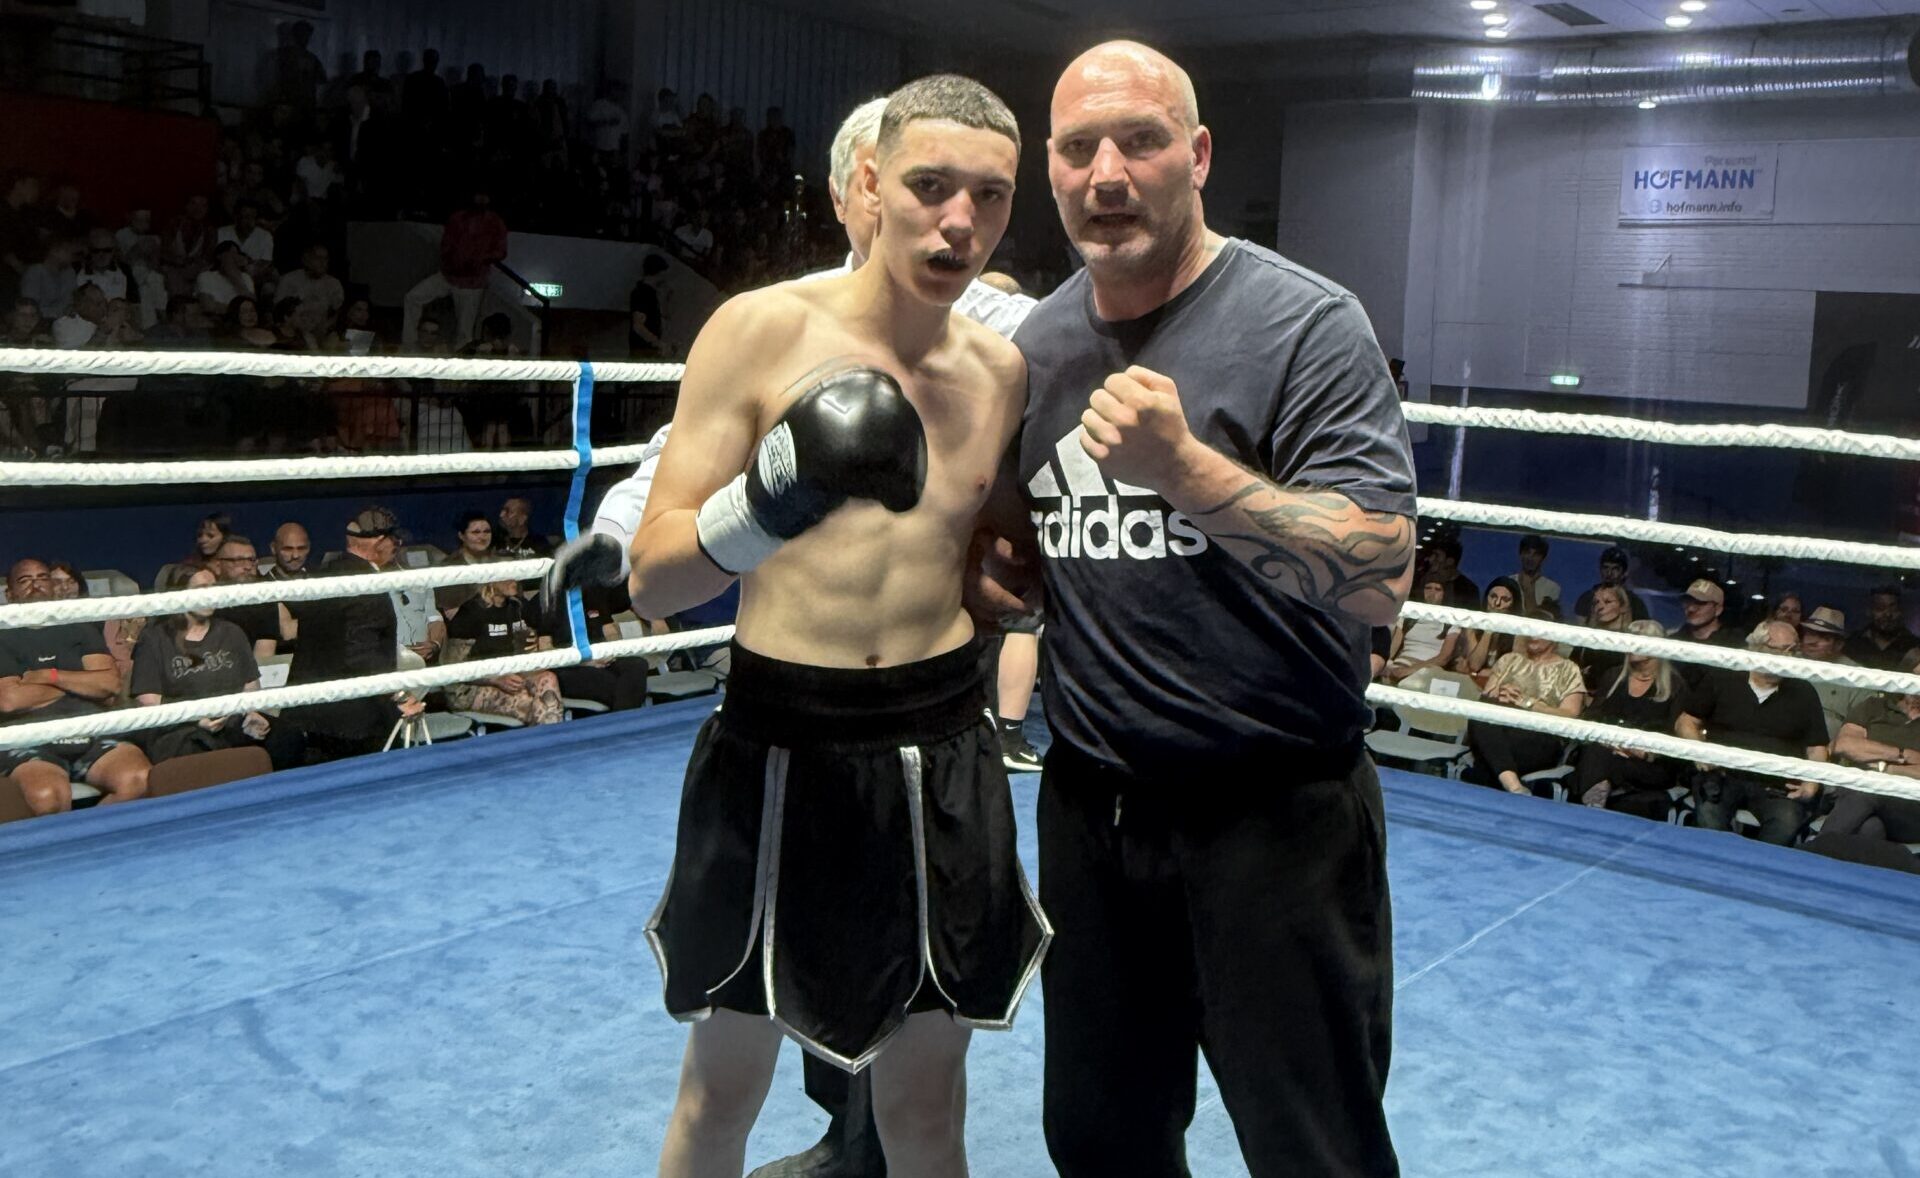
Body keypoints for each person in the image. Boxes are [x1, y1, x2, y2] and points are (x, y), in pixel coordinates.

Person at [543, 90, 1040, 1178]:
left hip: (941, 742)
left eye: (990, 196)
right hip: (778, 736)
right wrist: (768, 503)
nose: (959, 221)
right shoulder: (760, 331)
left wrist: (1029, 581)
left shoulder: (1001, 371)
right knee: (720, 1092)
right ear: (869, 183)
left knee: (926, 1110)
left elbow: (1004, 544)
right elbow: (657, 582)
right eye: (930, 186)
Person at [991, 40, 1413, 1176]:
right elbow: (1026, 543)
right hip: (1092, 811)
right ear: (1050, 169)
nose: (1108, 174)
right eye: (1078, 148)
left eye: (1141, 140)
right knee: (1100, 1141)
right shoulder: (1037, 347)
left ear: (1200, 155)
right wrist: (994, 572)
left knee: (1314, 1148)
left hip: (1274, 814)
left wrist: (1185, 469)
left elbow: (1380, 574)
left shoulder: (1305, 323)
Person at [1, 558, 153, 814]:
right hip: (30, 740)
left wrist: (48, 676)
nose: (35, 585)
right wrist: (81, 682)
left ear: (52, 586)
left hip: (90, 732)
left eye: (42, 578)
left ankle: (93, 834)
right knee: (47, 797)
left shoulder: (79, 626)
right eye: (25, 580)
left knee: (139, 779)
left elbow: (109, 684)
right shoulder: (2, 635)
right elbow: (9, 700)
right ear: (9, 593)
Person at [130, 568, 306, 769]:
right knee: (201, 751)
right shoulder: (155, 638)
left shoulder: (231, 632)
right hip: (180, 727)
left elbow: (250, 686)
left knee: (287, 737)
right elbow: (148, 701)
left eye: (213, 588)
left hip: (231, 720)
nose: (210, 595)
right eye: (201, 589)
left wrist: (251, 713)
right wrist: (195, 718)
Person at [1678, 620, 1829, 846]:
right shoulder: (1724, 677)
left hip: (1775, 784)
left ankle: (1754, 867)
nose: (1788, 657)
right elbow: (1686, 721)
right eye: (1780, 650)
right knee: (1710, 814)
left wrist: (1811, 784)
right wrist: (1699, 750)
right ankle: (1719, 863)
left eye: (1792, 650)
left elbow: (1817, 747)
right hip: (1723, 775)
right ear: (1758, 648)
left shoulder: (1803, 691)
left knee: (1787, 821)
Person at [1466, 607, 1589, 796]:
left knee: (1485, 761)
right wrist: (1501, 693)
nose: (1533, 635)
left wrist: (1529, 704)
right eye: (1529, 629)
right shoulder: (1509, 660)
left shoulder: (1568, 669)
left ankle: (1503, 783)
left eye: (1539, 630)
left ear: (1554, 634)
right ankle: (1514, 786)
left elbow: (1570, 715)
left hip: (1539, 737)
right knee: (1480, 713)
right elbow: (1487, 697)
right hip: (1501, 730)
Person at [1573, 619, 1684, 819]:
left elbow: (1674, 734)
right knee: (1598, 754)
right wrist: (1607, 739)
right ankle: (1595, 807)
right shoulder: (1613, 676)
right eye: (1629, 639)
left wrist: (1643, 752)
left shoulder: (1675, 686)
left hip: (1647, 762)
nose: (1631, 644)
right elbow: (1592, 716)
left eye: (1638, 640)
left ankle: (1591, 811)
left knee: (1600, 762)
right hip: (1608, 749)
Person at [439, 561, 563, 726]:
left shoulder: (518, 606)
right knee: (532, 704)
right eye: (507, 574)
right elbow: (454, 668)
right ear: (491, 579)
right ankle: (546, 738)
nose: (514, 579)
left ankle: (552, 736)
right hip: (469, 688)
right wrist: (495, 679)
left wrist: (536, 645)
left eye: (516, 574)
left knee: (548, 680)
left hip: (512, 675)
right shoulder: (472, 612)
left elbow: (537, 637)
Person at [1452, 576, 1519, 682]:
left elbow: (1516, 669)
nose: (1497, 603)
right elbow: (1475, 665)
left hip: (1502, 682)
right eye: (1493, 596)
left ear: (1514, 605)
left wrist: (1493, 672)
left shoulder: (1519, 631)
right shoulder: (1472, 626)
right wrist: (1489, 629)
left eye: (1505, 599)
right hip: (1474, 681)